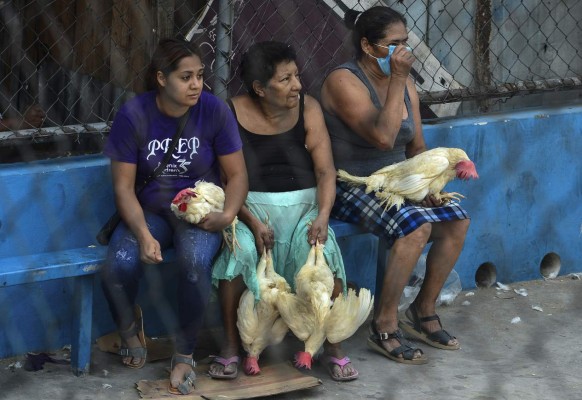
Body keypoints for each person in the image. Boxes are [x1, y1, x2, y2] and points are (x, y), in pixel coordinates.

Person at [320, 6, 470, 364]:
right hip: (354, 183)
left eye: (405, 42)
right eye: (393, 44)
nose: (403, 51)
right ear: (368, 47)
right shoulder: (344, 81)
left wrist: (428, 183)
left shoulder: (407, 85)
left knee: (456, 218)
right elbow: (385, 138)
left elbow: (414, 146)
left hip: (399, 180)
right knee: (416, 227)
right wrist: (399, 80)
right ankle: (384, 324)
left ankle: (423, 309)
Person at [100, 38, 248, 395]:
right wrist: (143, 234)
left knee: (195, 264)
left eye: (199, 76)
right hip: (150, 211)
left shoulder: (213, 110)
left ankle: (184, 352)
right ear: (161, 79)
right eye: (186, 77)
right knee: (119, 264)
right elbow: (123, 188)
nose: (196, 84)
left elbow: (238, 174)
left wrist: (228, 213)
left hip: (198, 211)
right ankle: (127, 326)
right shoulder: (134, 115)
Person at [209, 41, 358, 382]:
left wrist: (322, 216)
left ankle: (332, 345)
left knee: (324, 257)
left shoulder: (309, 109)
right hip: (249, 210)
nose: (297, 85)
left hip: (305, 210)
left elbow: (325, 171)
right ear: (260, 88)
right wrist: (249, 220)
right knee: (239, 253)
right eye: (286, 79)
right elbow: (226, 179)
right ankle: (232, 346)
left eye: (296, 76)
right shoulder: (229, 113)